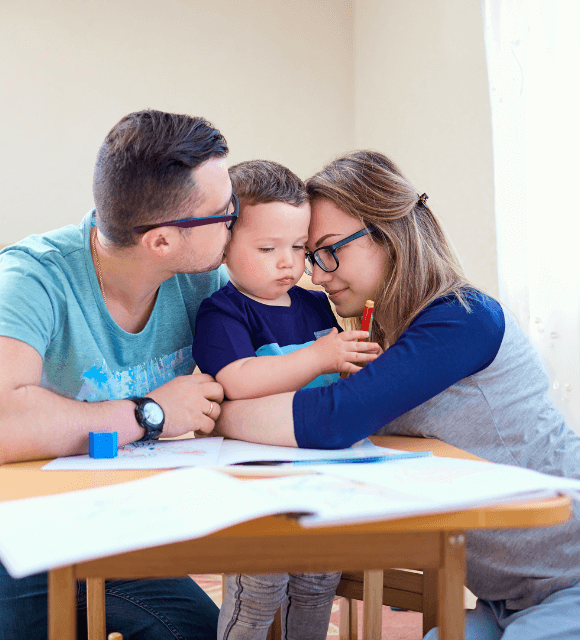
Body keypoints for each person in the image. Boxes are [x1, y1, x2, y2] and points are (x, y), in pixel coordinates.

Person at [215, 150, 580, 640]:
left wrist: (220, 412)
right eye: (310, 255)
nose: (316, 275)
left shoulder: (463, 318)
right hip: (509, 598)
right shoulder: (388, 335)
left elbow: (332, 420)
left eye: (325, 251)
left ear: (385, 234)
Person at [0, 109, 236, 639]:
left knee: (200, 631)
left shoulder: (202, 282)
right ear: (162, 241)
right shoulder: (34, 273)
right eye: (223, 211)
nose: (233, 220)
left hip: (93, 523)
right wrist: (151, 413)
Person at [192, 159, 378, 640]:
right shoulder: (222, 310)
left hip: (323, 466)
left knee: (319, 582)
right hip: (258, 473)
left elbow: (338, 369)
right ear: (224, 245)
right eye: (268, 248)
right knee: (259, 586)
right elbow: (238, 381)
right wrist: (320, 356)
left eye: (298, 247)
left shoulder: (317, 304)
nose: (289, 263)